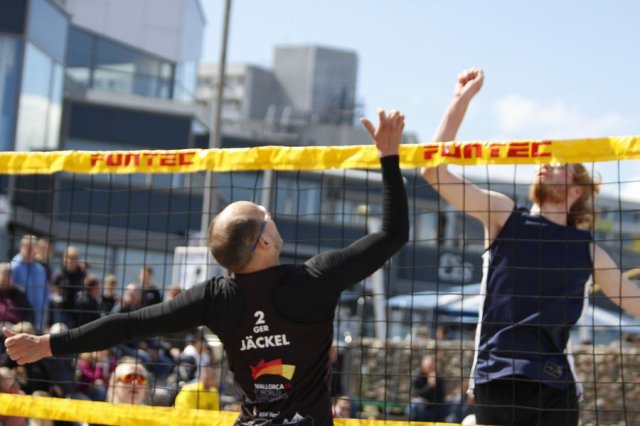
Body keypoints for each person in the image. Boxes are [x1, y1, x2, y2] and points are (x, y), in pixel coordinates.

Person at [3, 109, 409, 425]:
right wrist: (389, 158)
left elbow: (128, 325)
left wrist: (46, 345)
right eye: (265, 215)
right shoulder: (314, 280)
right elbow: (393, 234)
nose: (270, 213)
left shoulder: (216, 299)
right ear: (265, 242)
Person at [421, 68, 640, 426]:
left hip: (555, 383)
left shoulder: (586, 250)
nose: (545, 164)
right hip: (498, 376)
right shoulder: (504, 215)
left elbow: (634, 300)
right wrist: (460, 101)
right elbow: (433, 172)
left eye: (558, 163)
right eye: (544, 160)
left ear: (576, 190)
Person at [11, 235, 49, 333]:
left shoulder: (40, 269)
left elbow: (46, 294)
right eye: (27, 247)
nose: (30, 250)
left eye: (33, 247)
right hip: (19, 321)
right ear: (21, 247)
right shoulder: (14, 267)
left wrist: (45, 319)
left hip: (39, 321)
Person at [405, 355, 447, 422]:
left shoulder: (438, 378)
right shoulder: (418, 377)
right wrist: (430, 386)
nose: (430, 368)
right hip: (421, 406)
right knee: (417, 403)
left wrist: (430, 402)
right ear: (423, 366)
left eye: (432, 366)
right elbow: (415, 394)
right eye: (429, 366)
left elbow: (441, 396)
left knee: (455, 403)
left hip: (435, 407)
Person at [0, 262, 33, 326]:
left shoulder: (19, 293)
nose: (6, 278)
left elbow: (29, 313)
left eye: (9, 275)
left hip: (17, 327)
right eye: (4, 274)